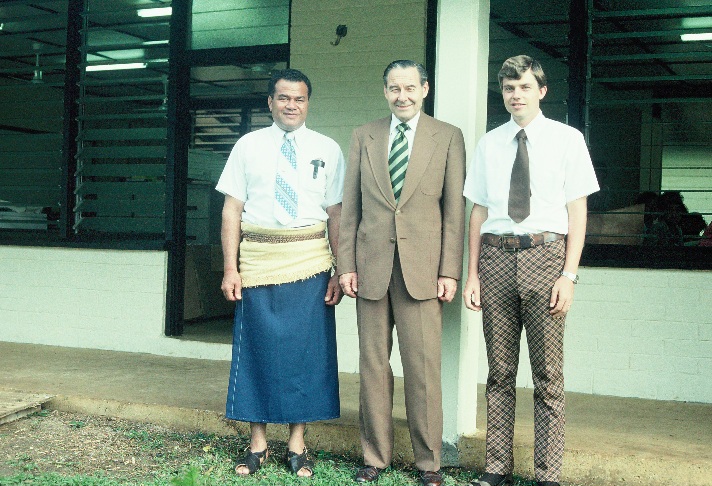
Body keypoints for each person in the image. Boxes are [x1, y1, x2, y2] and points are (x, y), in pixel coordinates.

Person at [462, 55, 599, 486]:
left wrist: (569, 274)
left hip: (546, 257)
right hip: (497, 259)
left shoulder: (567, 139)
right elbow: (478, 213)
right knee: (500, 371)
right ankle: (497, 468)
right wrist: (473, 274)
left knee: (547, 374)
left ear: (541, 91)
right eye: (507, 88)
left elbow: (578, 212)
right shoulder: (489, 143)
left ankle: (547, 474)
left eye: (523, 87)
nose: (515, 95)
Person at [338, 60, 466, 486]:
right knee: (373, 365)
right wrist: (346, 266)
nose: (402, 96)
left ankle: (429, 464)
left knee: (423, 368)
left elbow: (454, 213)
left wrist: (450, 271)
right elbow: (350, 211)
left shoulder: (447, 137)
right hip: (371, 267)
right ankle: (374, 457)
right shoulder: (363, 136)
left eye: (410, 87)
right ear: (385, 92)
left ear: (425, 88)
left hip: (424, 272)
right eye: (394, 88)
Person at [216, 68, 345, 478]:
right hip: (257, 261)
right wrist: (230, 268)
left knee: (305, 354)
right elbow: (231, 210)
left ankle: (297, 442)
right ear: (270, 102)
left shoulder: (328, 148)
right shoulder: (248, 146)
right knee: (256, 350)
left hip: (310, 261)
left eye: (299, 99)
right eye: (284, 98)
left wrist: (340, 269)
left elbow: (336, 213)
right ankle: (257, 443)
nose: (292, 105)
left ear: (309, 103)